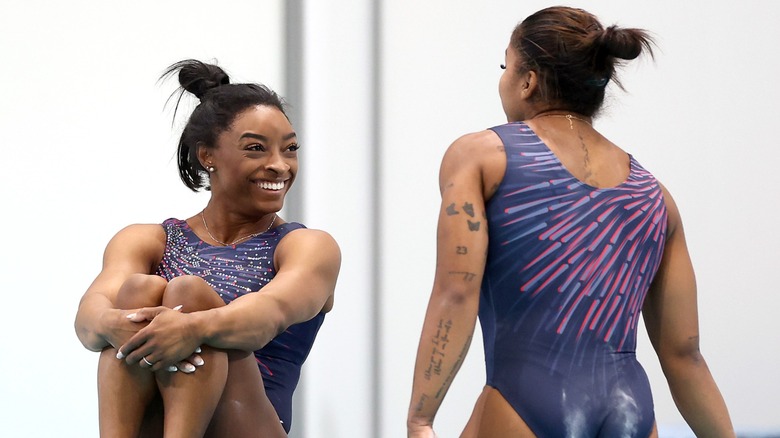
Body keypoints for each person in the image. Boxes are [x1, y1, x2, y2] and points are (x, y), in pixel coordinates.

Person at [407, 6, 734, 438]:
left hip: (523, 400)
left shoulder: (482, 156)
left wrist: (421, 418)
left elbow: (456, 291)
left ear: (528, 81)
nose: (503, 79)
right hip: (631, 407)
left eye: (506, 66)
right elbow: (684, 355)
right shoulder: (656, 197)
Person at [74, 59, 341, 437]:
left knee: (189, 294)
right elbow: (88, 318)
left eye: (290, 149)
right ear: (207, 156)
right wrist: (112, 324)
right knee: (137, 292)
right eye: (256, 149)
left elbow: (267, 316)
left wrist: (192, 326)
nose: (280, 166)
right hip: (154, 423)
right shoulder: (148, 240)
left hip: (252, 423)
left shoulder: (307, 246)